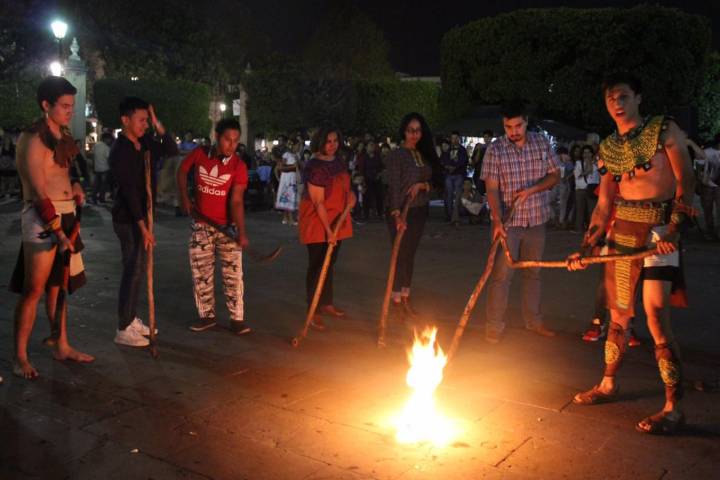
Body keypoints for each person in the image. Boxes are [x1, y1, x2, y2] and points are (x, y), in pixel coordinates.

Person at [568, 73, 695, 435]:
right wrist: (587, 245)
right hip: (622, 234)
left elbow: (686, 181)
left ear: (638, 98)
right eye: (610, 98)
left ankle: (673, 407)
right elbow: (605, 202)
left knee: (655, 315)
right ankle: (608, 384)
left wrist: (674, 228)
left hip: (658, 232)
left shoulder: (664, 130)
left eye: (623, 96)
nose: (616, 103)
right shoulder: (609, 148)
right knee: (618, 316)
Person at [9, 76, 95, 379]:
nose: (70, 110)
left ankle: (62, 344)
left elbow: (65, 170)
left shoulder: (62, 135)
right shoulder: (32, 139)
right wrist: (58, 232)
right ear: (46, 105)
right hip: (43, 219)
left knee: (59, 288)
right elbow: (37, 191)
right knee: (34, 289)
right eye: (65, 106)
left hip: (67, 214)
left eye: (72, 105)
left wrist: (74, 185)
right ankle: (20, 357)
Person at [480, 100, 560, 344]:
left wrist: (532, 190)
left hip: (536, 219)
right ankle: (494, 325)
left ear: (526, 122)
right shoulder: (496, 149)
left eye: (518, 126)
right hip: (509, 223)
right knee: (502, 275)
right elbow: (491, 188)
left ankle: (533, 321)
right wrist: (496, 219)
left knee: (533, 273)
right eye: (508, 127)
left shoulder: (541, 142)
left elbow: (556, 175)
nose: (513, 131)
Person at [109, 97, 178, 347]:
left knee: (138, 270)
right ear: (125, 121)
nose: (145, 125)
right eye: (141, 120)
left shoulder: (145, 143)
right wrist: (143, 228)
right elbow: (128, 192)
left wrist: (158, 122)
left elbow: (170, 149)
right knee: (132, 269)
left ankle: (131, 318)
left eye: (147, 120)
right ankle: (123, 327)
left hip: (142, 216)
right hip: (128, 219)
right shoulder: (120, 152)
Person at [177, 118, 251, 334]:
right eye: (228, 139)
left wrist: (242, 232)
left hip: (227, 229)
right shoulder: (200, 153)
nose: (232, 145)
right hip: (201, 225)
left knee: (233, 275)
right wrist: (184, 197)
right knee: (201, 273)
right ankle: (206, 316)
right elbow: (182, 170)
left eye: (236, 141)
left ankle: (237, 319)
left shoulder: (239, 165)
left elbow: (236, 201)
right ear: (217, 137)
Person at [386, 112, 442, 318]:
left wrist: (423, 185)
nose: (414, 134)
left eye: (417, 131)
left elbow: (436, 183)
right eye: (410, 130)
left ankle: (405, 295)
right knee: (399, 254)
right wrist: (396, 214)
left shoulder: (425, 154)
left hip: (419, 210)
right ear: (404, 131)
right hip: (400, 210)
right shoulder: (396, 155)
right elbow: (393, 187)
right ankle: (395, 297)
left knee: (409, 254)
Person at [298, 127, 355, 330]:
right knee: (317, 266)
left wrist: (351, 197)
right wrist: (328, 232)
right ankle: (313, 310)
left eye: (335, 140)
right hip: (317, 222)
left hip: (337, 219)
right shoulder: (314, 167)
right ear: (320, 142)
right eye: (328, 141)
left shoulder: (338, 162)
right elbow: (318, 202)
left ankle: (327, 303)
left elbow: (346, 186)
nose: (332, 145)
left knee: (329, 264)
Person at [441, 131, 469, 225]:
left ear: (459, 138)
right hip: (449, 174)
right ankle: (449, 215)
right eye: (453, 138)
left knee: (457, 196)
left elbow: (464, 161)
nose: (454, 140)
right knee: (449, 195)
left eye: (456, 138)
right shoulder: (447, 149)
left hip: (458, 174)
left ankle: (455, 216)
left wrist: (455, 166)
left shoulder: (462, 150)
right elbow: (443, 160)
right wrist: (448, 166)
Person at [573, 145, 601, 232]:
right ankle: (579, 229)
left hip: (592, 189)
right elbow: (577, 175)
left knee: (592, 210)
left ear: (592, 153)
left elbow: (600, 177)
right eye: (585, 152)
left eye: (589, 152)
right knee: (580, 210)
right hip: (581, 189)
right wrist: (586, 171)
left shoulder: (597, 163)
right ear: (582, 154)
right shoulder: (578, 163)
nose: (587, 154)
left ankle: (592, 229)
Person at [698, 134, 720, 240]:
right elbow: (699, 168)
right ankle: (710, 231)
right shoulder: (706, 152)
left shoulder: (706, 152)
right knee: (707, 209)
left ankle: (715, 232)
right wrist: (699, 182)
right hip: (707, 185)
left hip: (714, 185)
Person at [275, 139, 300, 225]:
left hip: (293, 177)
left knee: (290, 196)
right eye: (297, 145)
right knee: (288, 196)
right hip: (287, 177)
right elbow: (281, 167)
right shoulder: (286, 155)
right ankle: (290, 219)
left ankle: (286, 217)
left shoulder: (297, 155)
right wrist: (293, 166)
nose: (298, 147)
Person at [360, 139, 384, 220]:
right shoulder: (364, 157)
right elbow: (362, 169)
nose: (372, 147)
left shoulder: (377, 156)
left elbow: (381, 167)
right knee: (366, 197)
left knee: (379, 196)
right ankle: (366, 214)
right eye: (370, 145)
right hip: (367, 179)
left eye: (373, 145)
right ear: (366, 147)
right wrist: (363, 181)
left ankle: (380, 213)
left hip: (377, 179)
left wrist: (379, 174)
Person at [91, 132, 113, 204]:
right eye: (109, 139)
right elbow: (109, 159)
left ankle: (93, 197)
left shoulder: (96, 145)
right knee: (103, 185)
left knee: (96, 184)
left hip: (97, 168)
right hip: (105, 169)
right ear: (106, 139)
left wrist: (93, 165)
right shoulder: (106, 148)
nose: (110, 141)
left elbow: (93, 156)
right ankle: (101, 198)